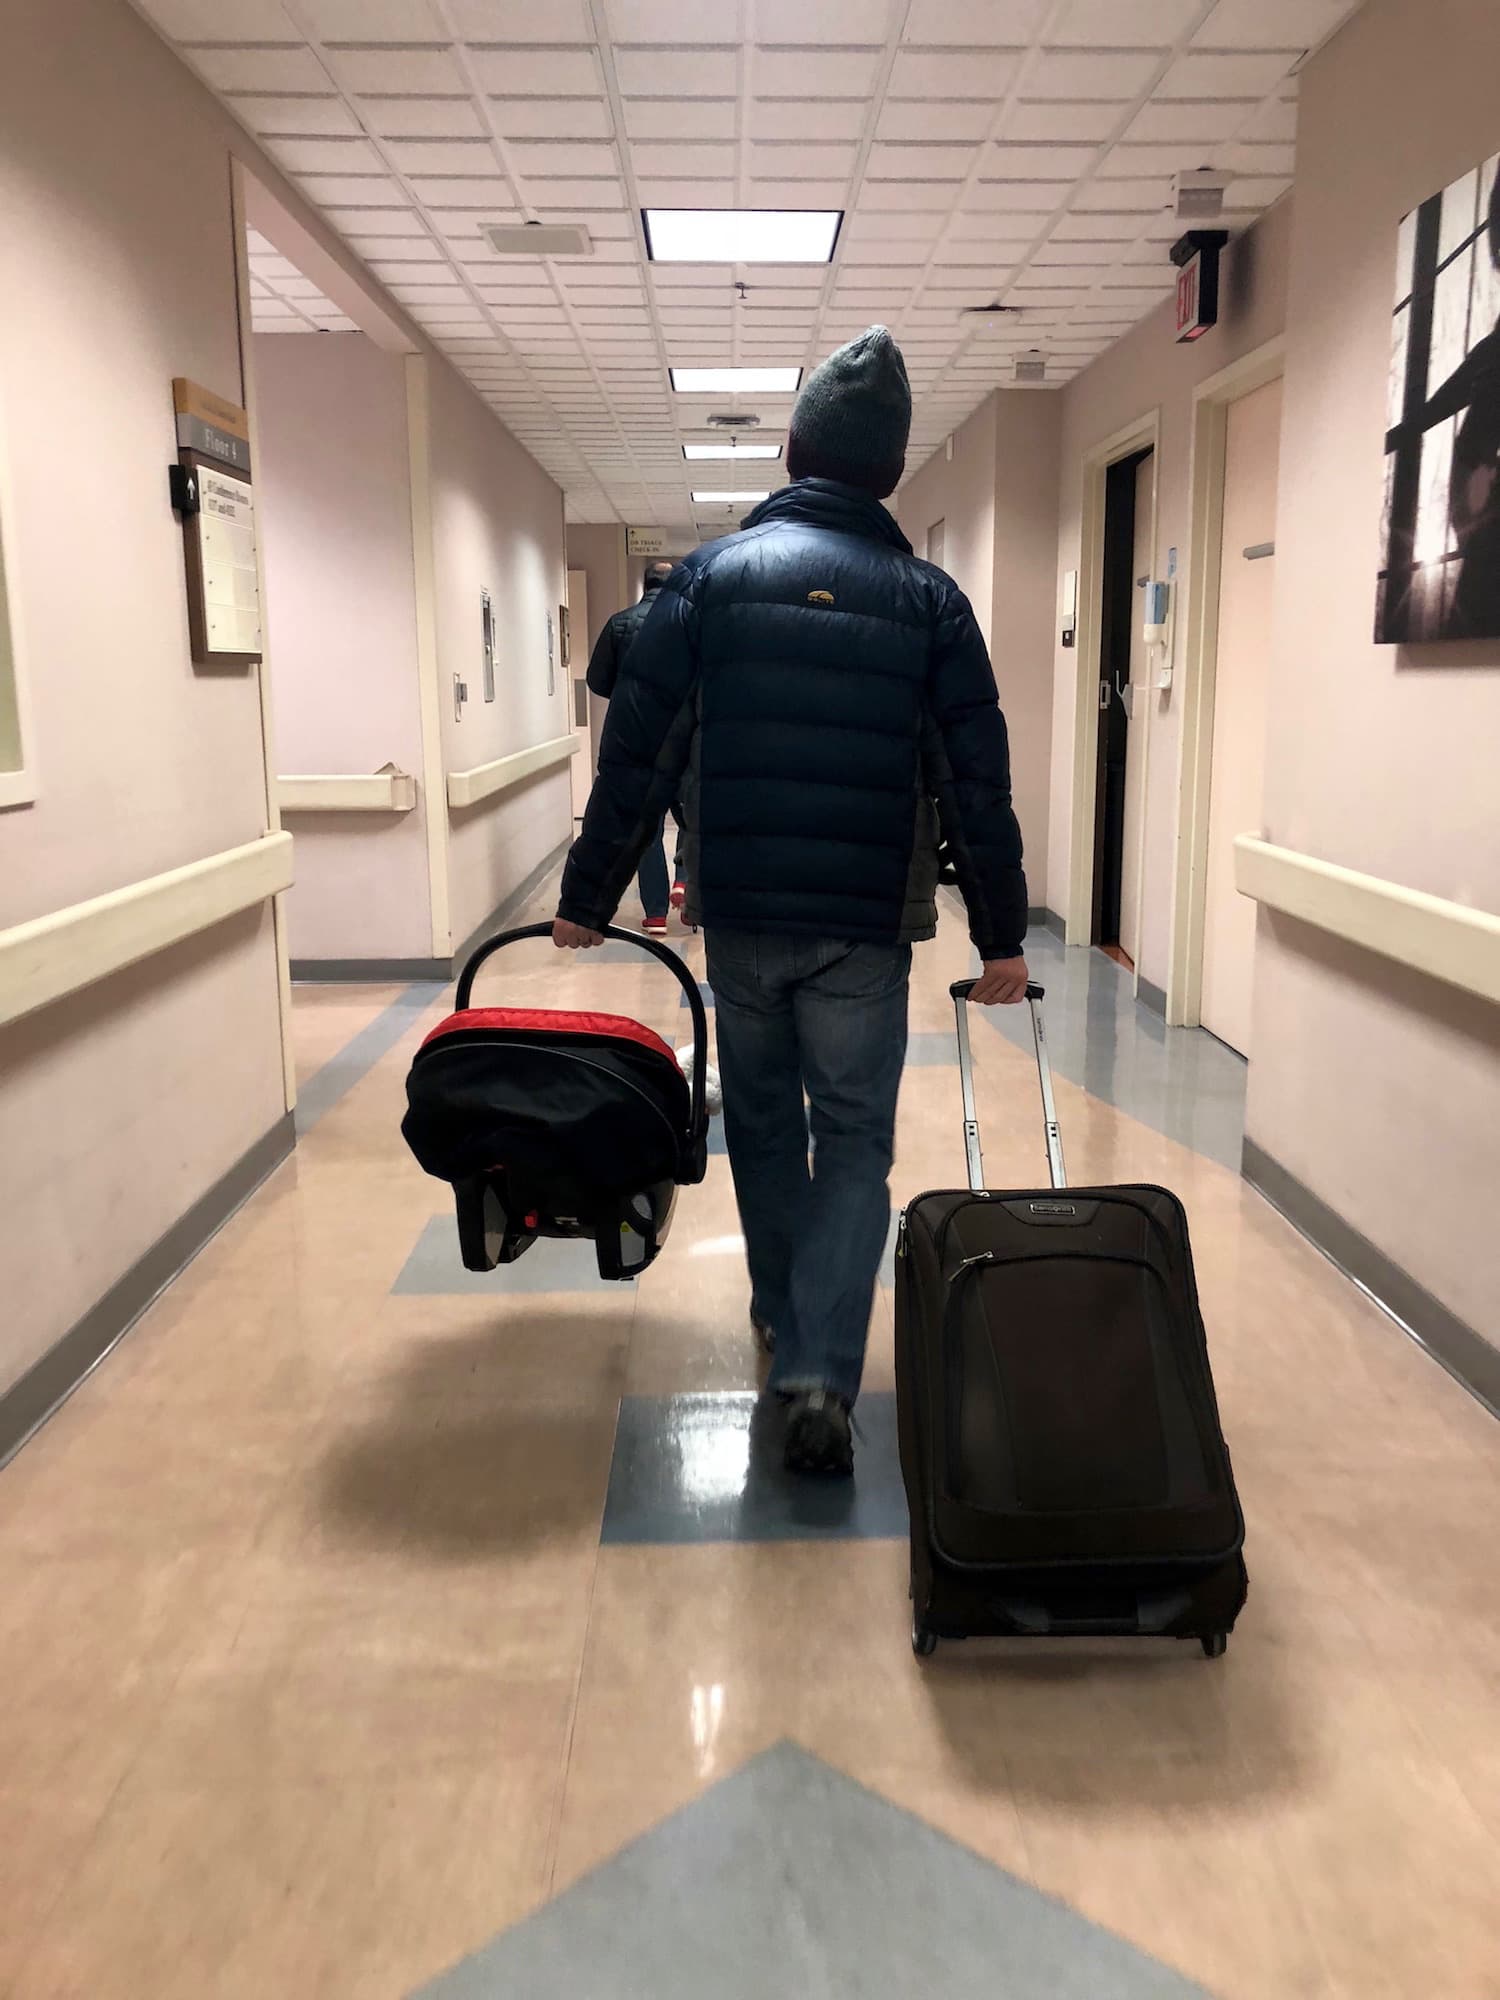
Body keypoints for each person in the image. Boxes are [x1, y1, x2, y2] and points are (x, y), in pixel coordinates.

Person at [555, 326, 1029, 1477]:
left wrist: (588, 890)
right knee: (856, 1141)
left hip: (748, 912)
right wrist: (1004, 931)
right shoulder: (931, 601)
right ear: (893, 473)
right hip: (867, 923)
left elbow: (640, 750)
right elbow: (976, 773)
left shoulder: (710, 583)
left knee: (763, 1126)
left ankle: (785, 1318)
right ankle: (820, 1365)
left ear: (789, 448)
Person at [584, 558, 679, 935]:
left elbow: (597, 680)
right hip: (682, 735)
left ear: (645, 584)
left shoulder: (619, 623)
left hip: (634, 737)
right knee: (692, 814)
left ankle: (655, 912)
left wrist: (628, 698)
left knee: (645, 825)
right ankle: (686, 888)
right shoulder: (692, 621)